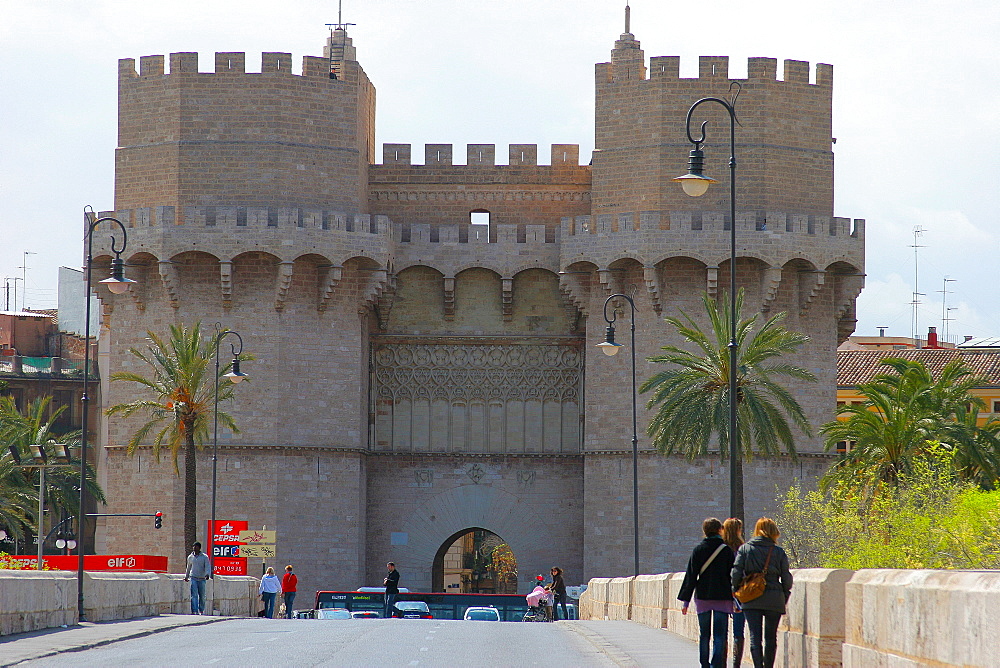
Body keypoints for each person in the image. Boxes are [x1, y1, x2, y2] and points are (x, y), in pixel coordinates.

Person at [731, 517, 793, 668]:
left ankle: (758, 666)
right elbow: (786, 577)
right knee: (771, 638)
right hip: (774, 597)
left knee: (755, 637)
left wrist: (736, 591)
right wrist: (784, 595)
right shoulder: (778, 551)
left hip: (752, 597)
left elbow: (736, 573)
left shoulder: (745, 549)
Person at [678, 518, 737, 668]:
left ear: (704, 531)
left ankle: (704, 664)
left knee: (704, 634)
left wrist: (686, 601)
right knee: (719, 635)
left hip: (703, 597)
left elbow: (691, 576)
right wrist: (737, 600)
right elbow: (734, 575)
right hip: (722, 597)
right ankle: (715, 665)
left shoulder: (698, 549)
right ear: (720, 530)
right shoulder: (726, 550)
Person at [722, 518, 746, 668]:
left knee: (722, 629)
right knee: (738, 630)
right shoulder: (742, 548)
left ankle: (722, 662)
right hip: (739, 594)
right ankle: (736, 663)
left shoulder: (722, 548)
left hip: (723, 594)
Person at [183, 542, 211, 615]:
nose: (194, 548)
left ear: (199, 547)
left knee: (202, 596)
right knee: (194, 595)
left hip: (202, 578)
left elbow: (207, 566)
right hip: (193, 578)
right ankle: (194, 610)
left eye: (196, 547)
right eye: (193, 546)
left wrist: (207, 574)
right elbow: (188, 567)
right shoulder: (190, 557)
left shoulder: (204, 557)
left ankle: (201, 609)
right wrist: (186, 576)